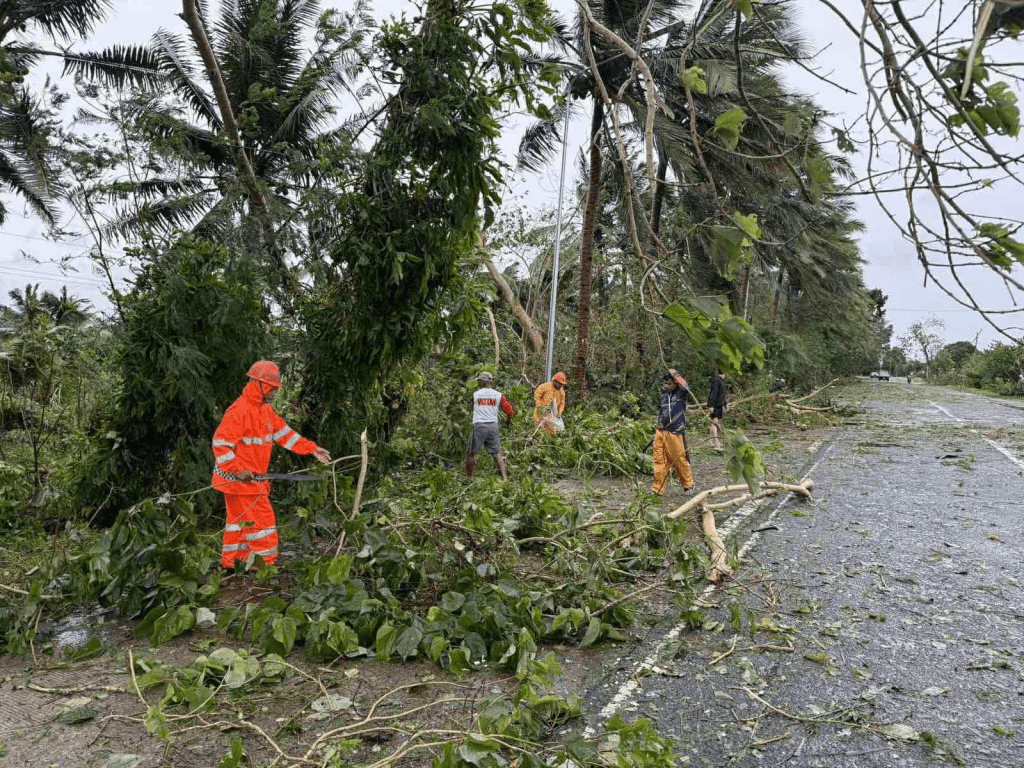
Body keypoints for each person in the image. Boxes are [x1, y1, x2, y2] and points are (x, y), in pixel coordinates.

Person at [211, 361, 332, 570]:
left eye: (275, 388)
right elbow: (220, 445)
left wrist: (312, 449)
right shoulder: (239, 411)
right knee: (262, 523)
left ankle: (234, 562)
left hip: (251, 480)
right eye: (272, 387)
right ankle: (264, 565)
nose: (275, 392)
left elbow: (285, 435)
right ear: (258, 384)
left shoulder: (265, 411)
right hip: (239, 482)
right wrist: (238, 470)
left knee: (240, 525)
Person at [652, 369, 694, 497]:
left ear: (675, 383)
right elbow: (660, 412)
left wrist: (676, 375)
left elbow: (687, 387)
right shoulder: (663, 396)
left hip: (675, 432)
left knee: (679, 460)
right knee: (659, 461)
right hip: (661, 432)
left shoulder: (681, 393)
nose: (666, 386)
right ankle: (658, 489)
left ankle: (688, 485)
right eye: (664, 383)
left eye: (669, 384)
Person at [466, 371, 514, 480]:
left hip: (479, 426)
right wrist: (508, 420)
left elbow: (471, 404)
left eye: (479, 381)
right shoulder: (498, 395)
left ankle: (469, 478)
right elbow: (510, 411)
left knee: (471, 454)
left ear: (482, 382)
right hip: (493, 426)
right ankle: (504, 478)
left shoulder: (476, 394)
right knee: (497, 453)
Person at [708, 370, 727, 453]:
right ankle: (716, 443)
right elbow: (713, 393)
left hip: (720, 405)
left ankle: (710, 442)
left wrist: (725, 404)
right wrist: (711, 405)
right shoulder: (716, 381)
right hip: (715, 405)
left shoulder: (722, 382)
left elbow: (723, 394)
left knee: (715, 423)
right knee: (714, 423)